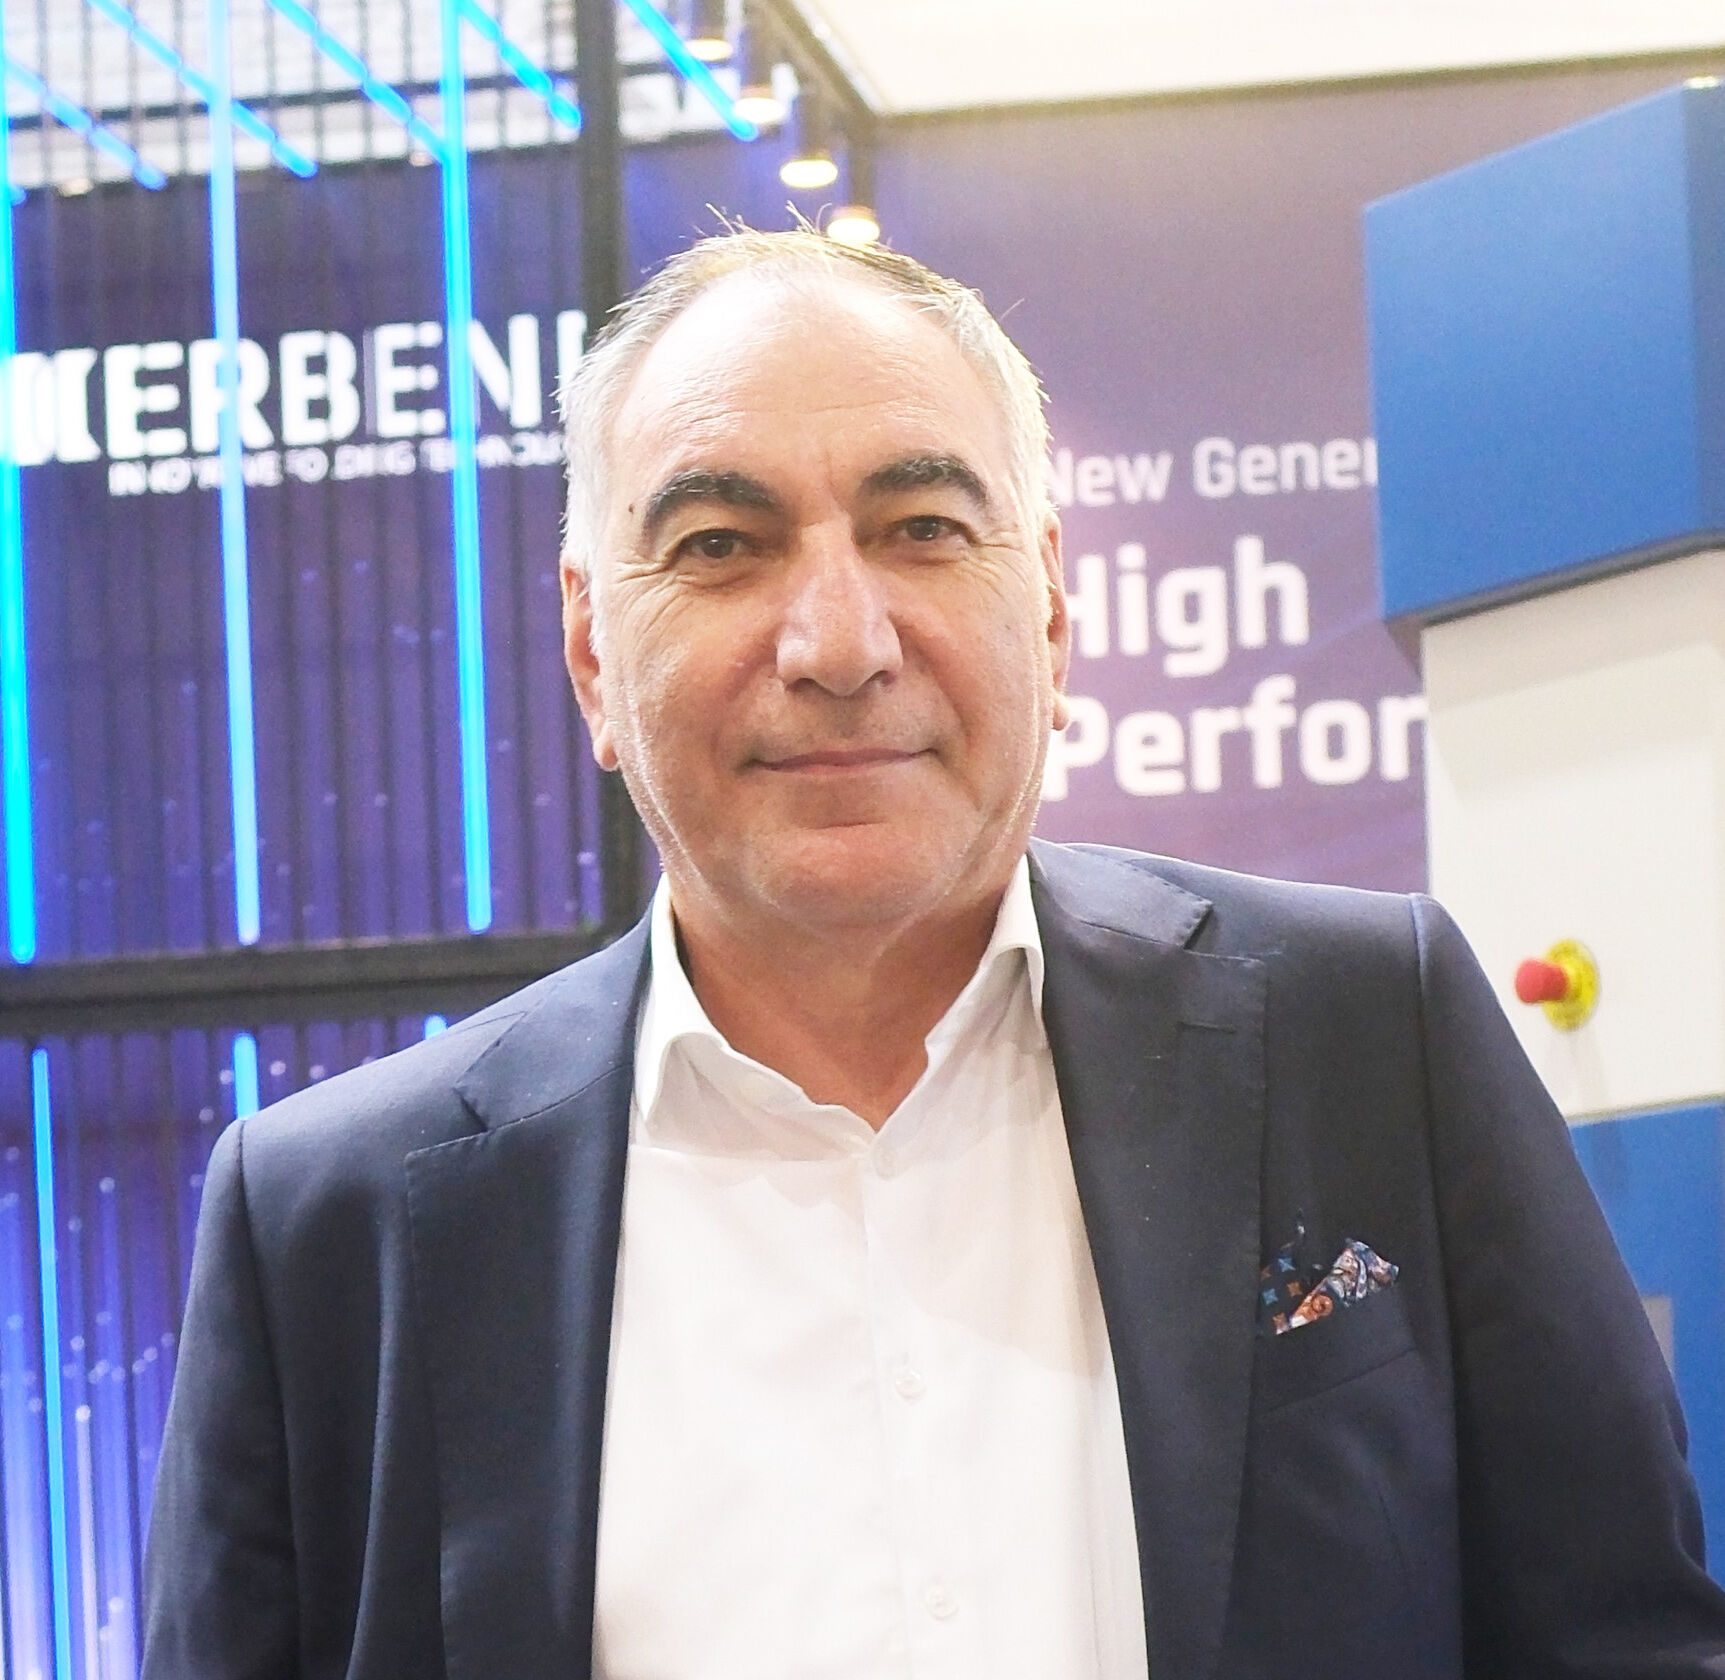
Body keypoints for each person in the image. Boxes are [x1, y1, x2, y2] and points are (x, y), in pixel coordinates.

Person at [142, 229, 1725, 1680]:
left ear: (1048, 611)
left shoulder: (1369, 1032)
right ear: (589, 654)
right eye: (719, 545)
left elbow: (1623, 1643)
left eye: (920, 529)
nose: (838, 644)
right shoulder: (330, 1225)